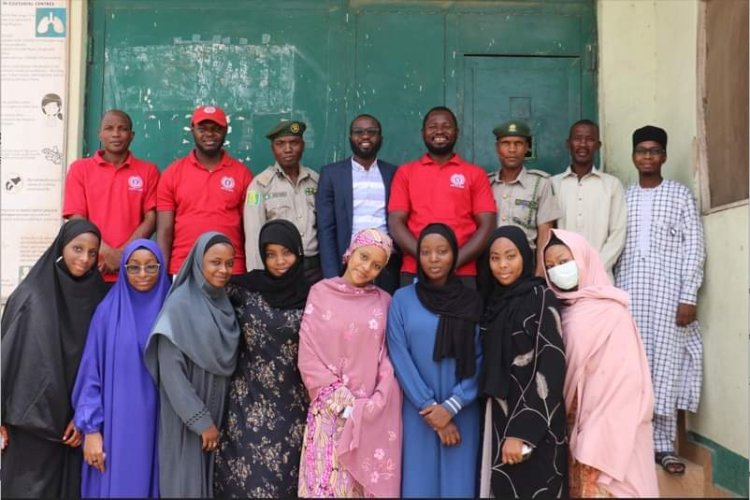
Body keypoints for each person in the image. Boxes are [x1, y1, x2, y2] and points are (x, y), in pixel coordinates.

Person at [614, 125, 705, 475]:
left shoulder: (680, 195)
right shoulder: (625, 196)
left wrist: (688, 296)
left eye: (654, 151)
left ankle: (664, 446)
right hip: (631, 295)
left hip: (669, 297)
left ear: (664, 156)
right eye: (642, 151)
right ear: (633, 156)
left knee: (665, 366)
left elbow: (694, 247)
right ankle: (634, 442)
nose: (648, 156)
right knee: (633, 368)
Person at [544, 229, 659, 497]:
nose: (557, 271)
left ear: (583, 259)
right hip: (575, 429)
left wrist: (597, 437)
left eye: (563, 262)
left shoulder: (612, 312)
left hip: (613, 432)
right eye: (549, 267)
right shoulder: (556, 310)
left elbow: (626, 383)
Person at [1, 220, 107, 497]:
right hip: (31, 428)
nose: (84, 259)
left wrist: (84, 417)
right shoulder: (30, 295)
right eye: (77, 249)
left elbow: (100, 364)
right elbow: (7, 358)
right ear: (62, 247)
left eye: (92, 252)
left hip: (75, 433)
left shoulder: (100, 297)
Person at [297, 228, 403, 497]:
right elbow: (307, 352)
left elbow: (389, 360)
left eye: (376, 265)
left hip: (368, 416)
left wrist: (372, 405)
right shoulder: (320, 293)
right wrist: (340, 401)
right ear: (351, 252)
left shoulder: (385, 303)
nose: (367, 267)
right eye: (364, 257)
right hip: (328, 413)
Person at [214, 220, 311, 497]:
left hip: (294, 407)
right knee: (244, 482)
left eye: (286, 252)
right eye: (270, 254)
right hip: (247, 404)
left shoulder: (314, 294)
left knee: (286, 484)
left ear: (299, 252)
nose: (279, 261)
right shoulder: (243, 289)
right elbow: (203, 292)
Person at [387, 223, 483, 497]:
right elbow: (399, 355)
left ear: (454, 254)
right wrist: (432, 409)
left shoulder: (472, 300)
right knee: (419, 485)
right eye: (426, 252)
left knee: (459, 486)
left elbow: (480, 356)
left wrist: (452, 406)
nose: (433, 259)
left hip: (462, 409)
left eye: (442, 251)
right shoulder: (402, 300)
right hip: (419, 412)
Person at [144, 232, 241, 498]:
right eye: (215, 262)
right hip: (186, 417)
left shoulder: (223, 304)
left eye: (229, 263)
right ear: (198, 262)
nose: (223, 270)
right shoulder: (179, 305)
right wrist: (200, 421)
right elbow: (171, 374)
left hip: (216, 411)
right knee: (184, 485)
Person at [71, 239, 170, 497]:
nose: (142, 275)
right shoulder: (107, 313)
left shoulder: (172, 311)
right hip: (115, 431)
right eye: (134, 267)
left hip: (160, 430)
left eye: (151, 267)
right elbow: (91, 376)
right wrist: (91, 430)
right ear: (123, 269)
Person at [477, 226, 567, 498]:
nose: (502, 265)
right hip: (499, 416)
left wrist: (522, 433)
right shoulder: (492, 303)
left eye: (510, 256)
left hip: (536, 426)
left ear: (525, 257)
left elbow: (552, 365)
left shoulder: (541, 298)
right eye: (495, 258)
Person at [388, 106, 496, 288]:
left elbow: (487, 225)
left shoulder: (475, 174)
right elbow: (396, 222)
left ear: (457, 132)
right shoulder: (405, 173)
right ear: (423, 133)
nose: (439, 131)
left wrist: (453, 262)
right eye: (432, 126)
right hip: (415, 270)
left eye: (446, 126)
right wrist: (427, 260)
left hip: (462, 271)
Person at [63, 109, 160, 285]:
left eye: (122, 129)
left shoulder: (149, 171)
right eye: (109, 128)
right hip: (90, 267)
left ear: (132, 135)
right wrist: (106, 253)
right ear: (99, 134)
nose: (116, 134)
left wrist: (123, 255)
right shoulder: (80, 169)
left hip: (132, 270)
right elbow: (77, 218)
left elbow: (151, 218)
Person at [157, 105, 253, 276]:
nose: (209, 134)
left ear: (226, 131)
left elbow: (250, 229)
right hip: (184, 267)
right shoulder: (172, 173)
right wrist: (162, 274)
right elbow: (164, 231)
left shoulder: (243, 174)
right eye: (202, 128)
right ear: (192, 130)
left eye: (216, 129)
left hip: (230, 269)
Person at [316, 114, 401, 294]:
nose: (365, 136)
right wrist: (332, 276)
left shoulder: (393, 173)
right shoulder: (331, 174)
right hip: (346, 267)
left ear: (381, 139)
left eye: (372, 132)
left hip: (385, 267)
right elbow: (326, 228)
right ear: (350, 138)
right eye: (358, 132)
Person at [244, 120, 322, 283]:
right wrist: (258, 278)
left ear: (303, 145)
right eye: (280, 144)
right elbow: (253, 236)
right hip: (280, 272)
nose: (288, 149)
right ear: (273, 148)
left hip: (314, 271)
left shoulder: (315, 181)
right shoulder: (260, 185)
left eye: (294, 143)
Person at [551, 120, 626, 278]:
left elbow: (618, 234)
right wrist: (563, 267)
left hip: (600, 276)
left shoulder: (612, 185)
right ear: (568, 144)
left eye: (590, 139)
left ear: (598, 145)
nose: (583, 144)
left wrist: (595, 268)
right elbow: (547, 233)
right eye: (577, 139)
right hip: (561, 276)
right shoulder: (553, 184)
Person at [489, 120, 562, 276]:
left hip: (526, 266)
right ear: (497, 148)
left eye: (518, 143)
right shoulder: (487, 184)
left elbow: (545, 234)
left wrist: (539, 275)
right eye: (506, 143)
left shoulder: (540, 183)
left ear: (527, 147)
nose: (512, 149)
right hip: (492, 265)